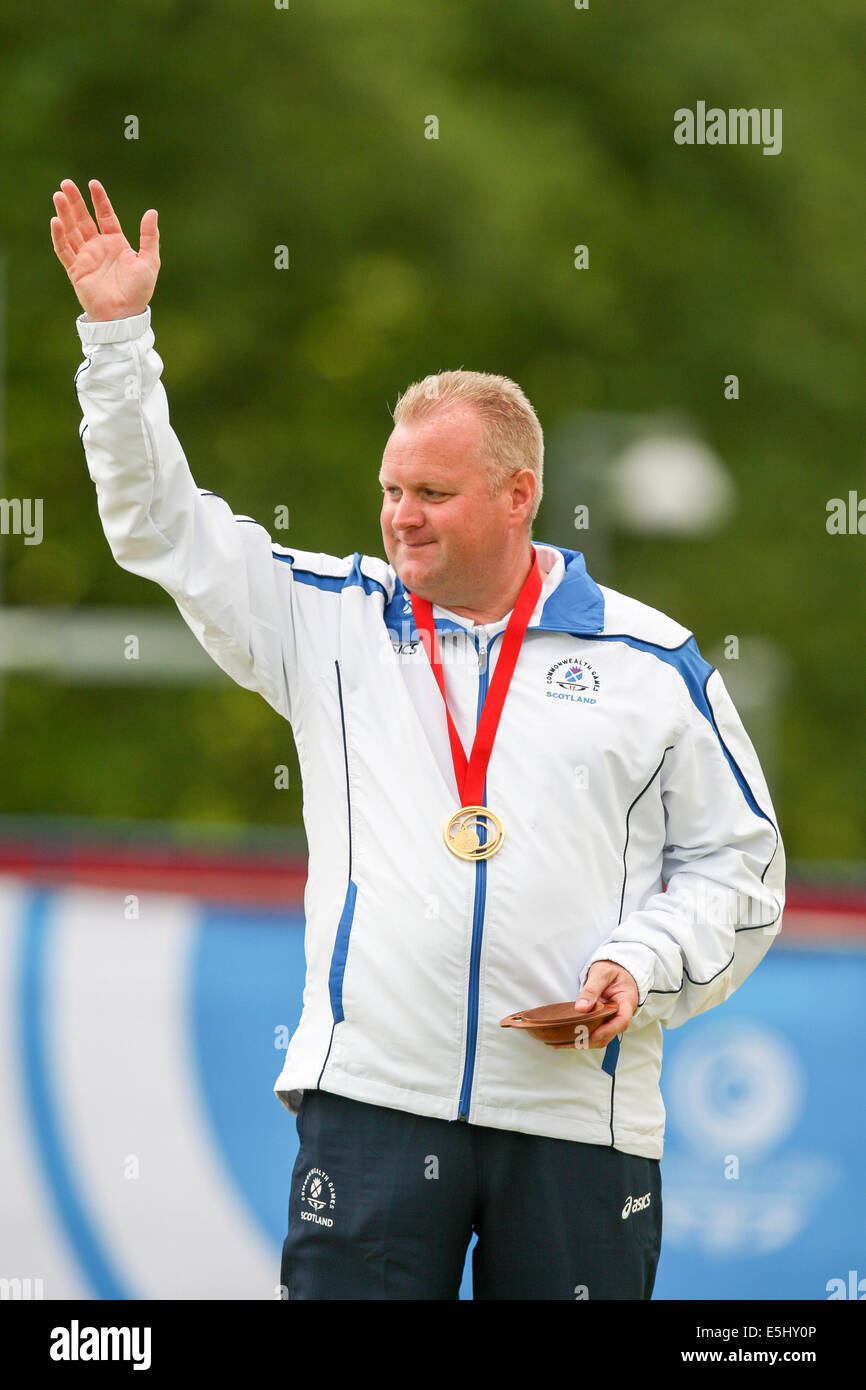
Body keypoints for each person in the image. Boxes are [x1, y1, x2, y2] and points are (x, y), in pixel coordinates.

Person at [51, 178, 785, 1301]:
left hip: (576, 1119)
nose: (399, 515)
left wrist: (638, 965)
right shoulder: (324, 616)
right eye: (391, 488)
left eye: (432, 492)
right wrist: (116, 339)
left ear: (516, 496)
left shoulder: (652, 663)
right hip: (374, 1107)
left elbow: (743, 873)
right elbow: (160, 524)